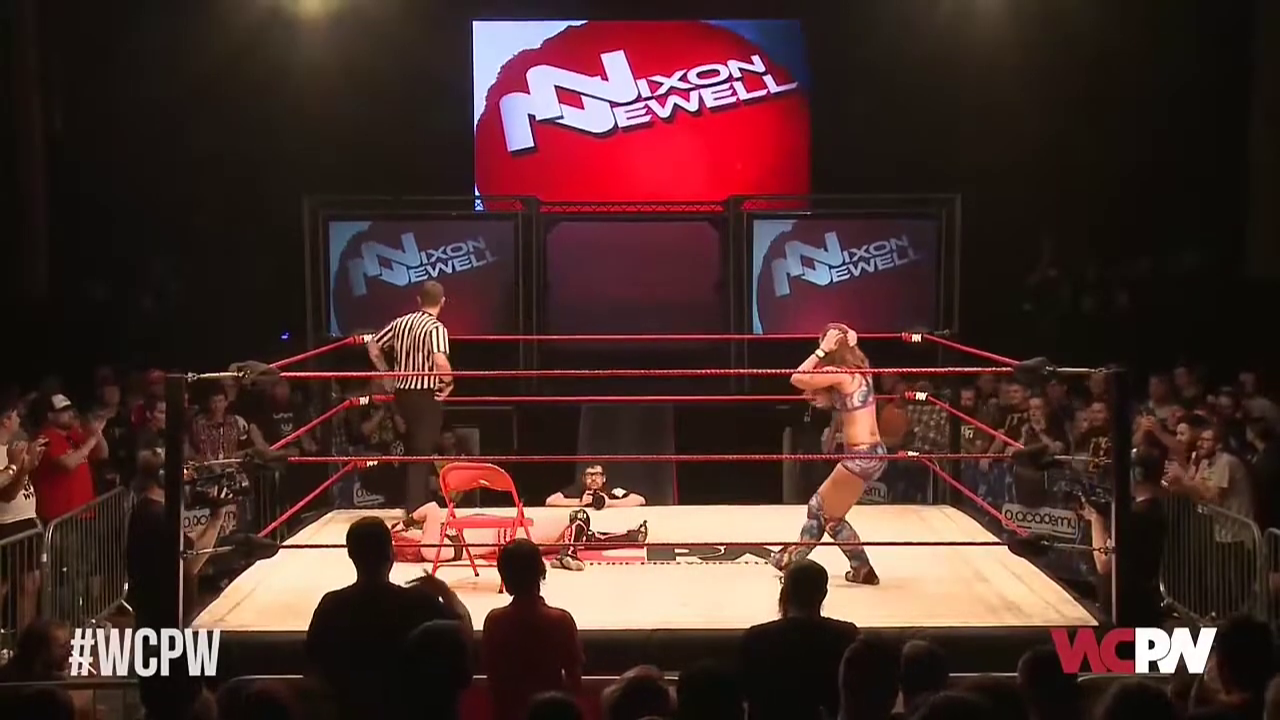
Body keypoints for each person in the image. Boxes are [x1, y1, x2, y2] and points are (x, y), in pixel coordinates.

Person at [306, 516, 468, 720]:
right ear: (391, 553)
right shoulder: (418, 602)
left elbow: (313, 665)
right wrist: (445, 592)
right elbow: (464, 636)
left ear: (351, 554)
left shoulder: (331, 605)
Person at [774, 323, 883, 584]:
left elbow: (797, 377)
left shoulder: (841, 374)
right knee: (831, 517)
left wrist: (821, 351)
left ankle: (793, 561)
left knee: (819, 508)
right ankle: (862, 569)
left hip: (860, 457)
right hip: (873, 454)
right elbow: (848, 402)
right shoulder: (862, 371)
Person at [366, 280, 453, 514]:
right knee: (421, 451)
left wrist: (387, 373)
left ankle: (419, 503)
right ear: (443, 302)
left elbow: (373, 346)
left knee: (414, 449)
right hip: (425, 396)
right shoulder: (435, 328)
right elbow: (440, 360)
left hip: (402, 395)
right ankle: (415, 508)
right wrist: (449, 382)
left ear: (418, 300)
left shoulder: (400, 323)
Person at [740, 559, 859, 720]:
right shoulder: (846, 636)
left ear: (785, 592)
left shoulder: (756, 639)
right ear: (823, 593)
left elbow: (746, 697)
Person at [483, 538, 583, 720]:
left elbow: (493, 678)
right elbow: (575, 679)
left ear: (505, 579)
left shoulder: (495, 622)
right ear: (541, 572)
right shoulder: (561, 621)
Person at [391, 501, 647, 572]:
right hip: (511, 534)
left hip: (510, 532)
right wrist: (403, 524)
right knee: (577, 517)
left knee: (578, 532)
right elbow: (432, 508)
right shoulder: (430, 547)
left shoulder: (434, 540)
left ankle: (630, 536)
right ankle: (567, 553)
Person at [545, 464, 647, 509]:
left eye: (597, 475)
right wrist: (579, 502)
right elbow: (550, 501)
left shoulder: (613, 491)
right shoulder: (578, 491)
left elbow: (640, 500)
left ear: (604, 478)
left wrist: (609, 503)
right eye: (589, 475)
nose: (593, 479)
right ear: (584, 479)